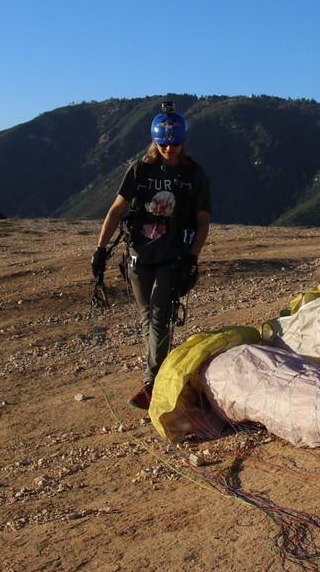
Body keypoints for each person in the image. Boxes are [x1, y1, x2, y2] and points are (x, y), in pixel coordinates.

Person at [92, 102, 211, 409]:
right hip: (138, 256)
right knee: (149, 317)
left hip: (174, 256)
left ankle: (152, 383)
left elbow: (202, 220)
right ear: (154, 141)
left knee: (159, 313)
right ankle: (159, 374)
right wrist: (101, 249)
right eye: (163, 143)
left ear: (183, 141)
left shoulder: (194, 174)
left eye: (174, 143)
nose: (168, 149)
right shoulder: (141, 169)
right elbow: (117, 209)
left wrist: (192, 257)